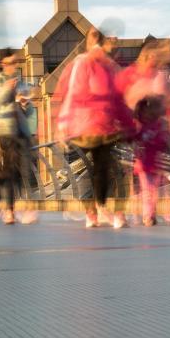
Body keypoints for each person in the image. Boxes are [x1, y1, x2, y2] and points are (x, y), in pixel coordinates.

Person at [55, 26, 134, 229]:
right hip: (85, 125)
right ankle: (96, 208)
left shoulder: (107, 66)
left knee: (100, 167)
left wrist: (128, 123)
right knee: (96, 168)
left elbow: (117, 98)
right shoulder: (85, 63)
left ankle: (97, 208)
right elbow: (73, 92)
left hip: (100, 126)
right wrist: (63, 123)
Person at [116, 38, 170, 226]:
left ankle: (151, 213)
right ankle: (142, 214)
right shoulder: (129, 74)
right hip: (138, 142)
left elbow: (166, 100)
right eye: (158, 57)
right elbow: (118, 98)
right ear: (148, 55)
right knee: (145, 185)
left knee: (153, 185)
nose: (161, 62)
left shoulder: (160, 75)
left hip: (149, 151)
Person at [0, 51, 32, 225]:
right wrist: (4, 91)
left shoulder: (22, 83)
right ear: (2, 63)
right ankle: (8, 210)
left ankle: (21, 206)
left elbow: (29, 111)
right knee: (6, 171)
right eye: (10, 63)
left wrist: (25, 104)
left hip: (19, 132)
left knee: (23, 170)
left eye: (15, 63)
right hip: (0, 131)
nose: (13, 66)